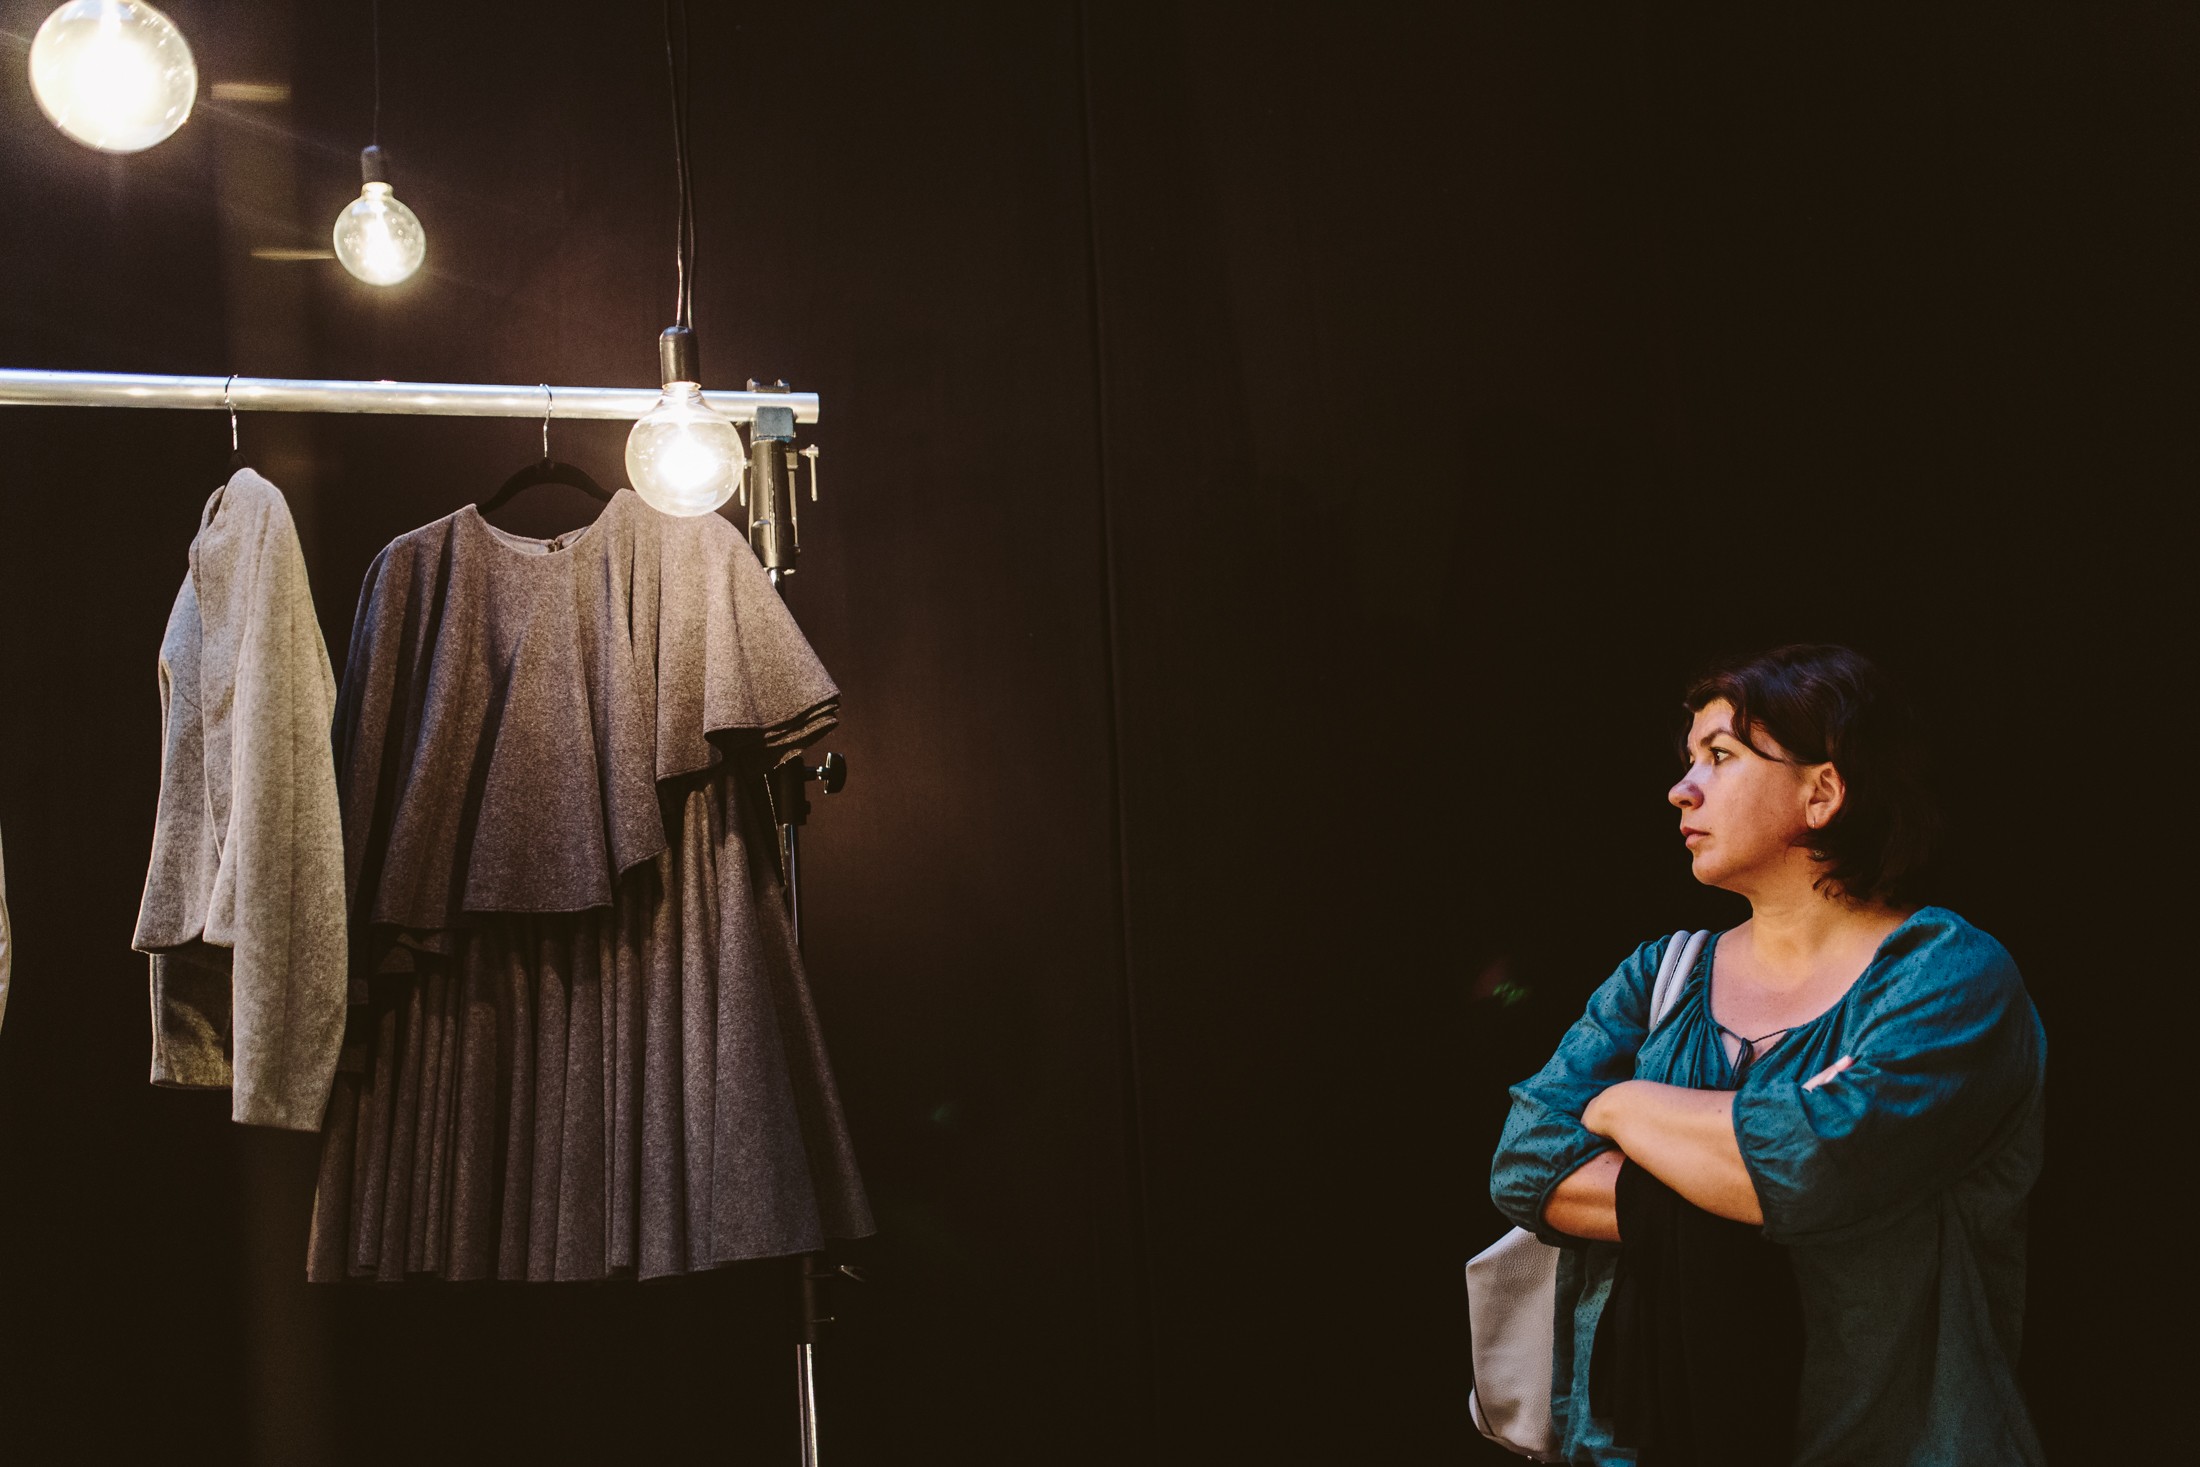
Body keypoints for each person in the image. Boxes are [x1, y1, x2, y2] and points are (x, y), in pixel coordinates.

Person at [1489, 644, 2046, 1466]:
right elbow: (1525, 1158)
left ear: (1823, 791)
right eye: (1688, 760)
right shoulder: (1660, 974)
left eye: (1720, 755)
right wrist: (1720, 1181)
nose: (1682, 788)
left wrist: (1621, 1106)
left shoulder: (1945, 973)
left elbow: (1813, 1164)